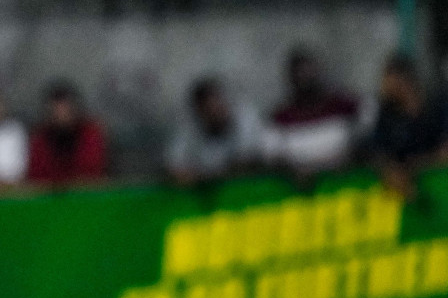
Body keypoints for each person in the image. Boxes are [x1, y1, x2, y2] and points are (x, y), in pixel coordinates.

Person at [265, 47, 366, 175]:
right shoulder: (281, 117)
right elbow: (272, 157)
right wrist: (293, 171)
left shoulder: (341, 105)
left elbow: (368, 129)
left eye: (308, 72)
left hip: (346, 180)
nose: (305, 78)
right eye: (299, 74)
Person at [368, 54, 448, 195]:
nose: (383, 86)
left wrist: (409, 168)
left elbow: (443, 153)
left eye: (388, 79)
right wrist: (392, 169)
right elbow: (379, 152)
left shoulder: (438, 105)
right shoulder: (387, 114)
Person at [165, 77, 265, 186]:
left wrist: (211, 174)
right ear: (199, 112)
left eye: (217, 105)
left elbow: (247, 160)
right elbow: (174, 164)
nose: (215, 113)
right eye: (208, 110)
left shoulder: (245, 118)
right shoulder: (189, 129)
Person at [26, 80, 107, 186]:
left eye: (66, 110)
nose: (62, 116)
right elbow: (37, 177)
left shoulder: (91, 134)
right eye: (57, 111)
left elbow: (92, 173)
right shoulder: (39, 139)